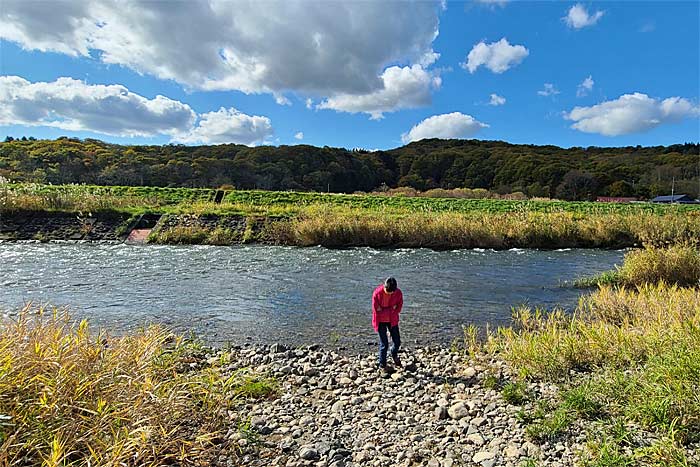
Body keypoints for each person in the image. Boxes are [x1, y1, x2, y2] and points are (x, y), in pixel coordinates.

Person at [371, 277, 403, 372]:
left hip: (392, 320)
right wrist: (391, 309)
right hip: (380, 321)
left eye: (391, 292)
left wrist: (386, 310)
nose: (389, 293)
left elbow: (399, 307)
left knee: (397, 342)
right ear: (384, 286)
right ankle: (382, 365)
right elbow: (377, 310)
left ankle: (394, 353)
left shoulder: (398, 293)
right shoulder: (377, 293)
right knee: (384, 344)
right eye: (387, 291)